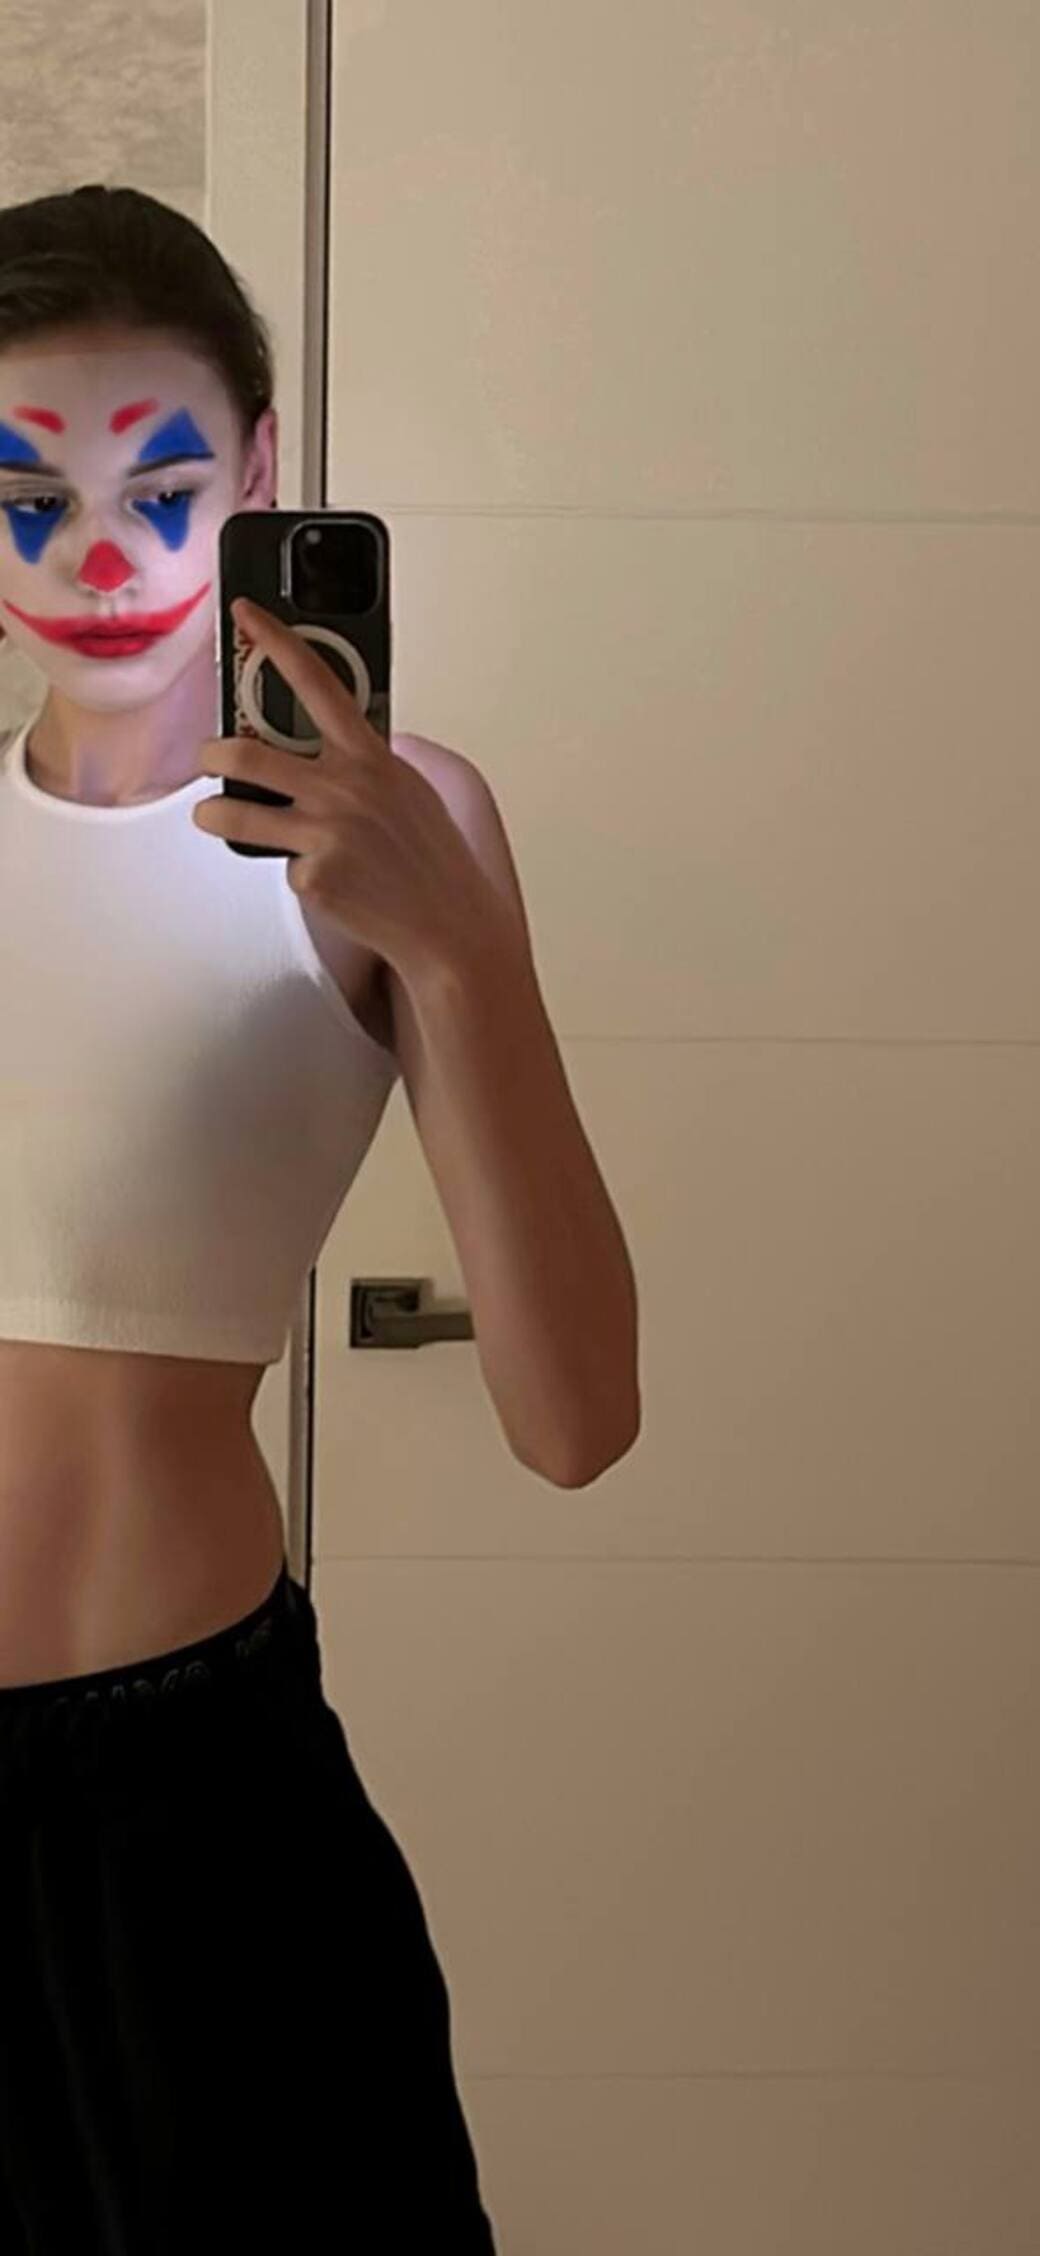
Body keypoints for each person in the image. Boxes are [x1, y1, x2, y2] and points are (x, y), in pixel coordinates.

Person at [0, 183, 498, 2251]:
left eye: (164, 483)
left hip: (187, 1821)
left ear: (264, 471)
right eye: (28, 498)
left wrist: (455, 952)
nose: (100, 559)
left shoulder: (405, 829)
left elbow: (580, 1416)